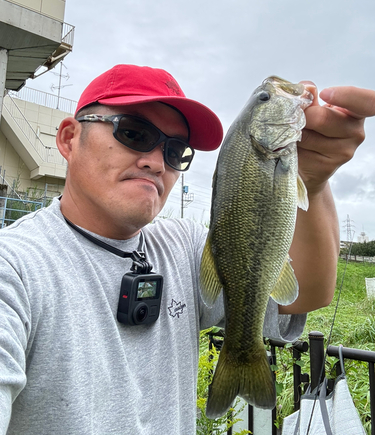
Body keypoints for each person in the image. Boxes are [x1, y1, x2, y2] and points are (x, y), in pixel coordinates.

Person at [0, 64, 372, 435]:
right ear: (68, 139)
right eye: (133, 132)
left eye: (175, 151)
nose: (156, 162)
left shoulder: (184, 245)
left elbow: (307, 294)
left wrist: (313, 181)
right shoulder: (14, 266)